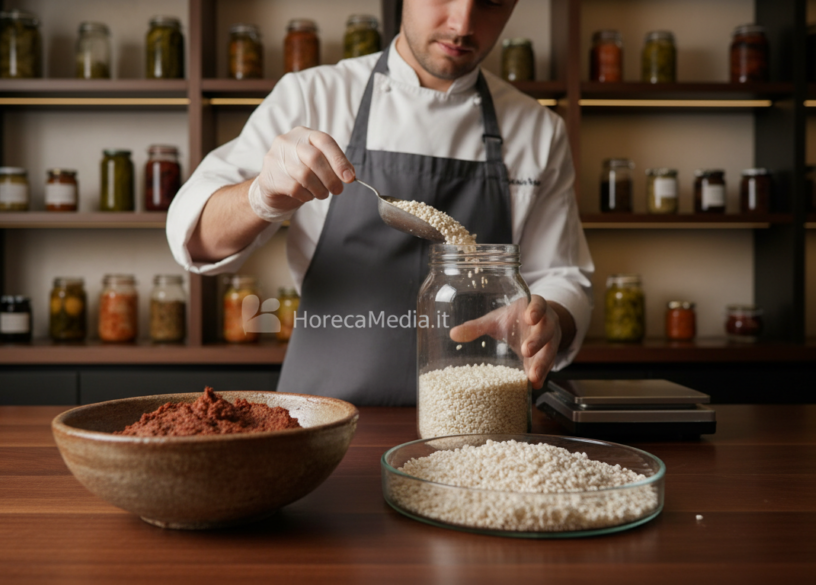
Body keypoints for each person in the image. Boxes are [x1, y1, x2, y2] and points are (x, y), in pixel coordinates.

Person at [167, 0, 594, 406]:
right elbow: (196, 238)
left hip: (477, 418)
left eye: (491, 2)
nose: (462, 24)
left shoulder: (538, 129)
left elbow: (563, 276)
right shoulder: (313, 95)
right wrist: (261, 194)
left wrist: (549, 317)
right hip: (323, 414)